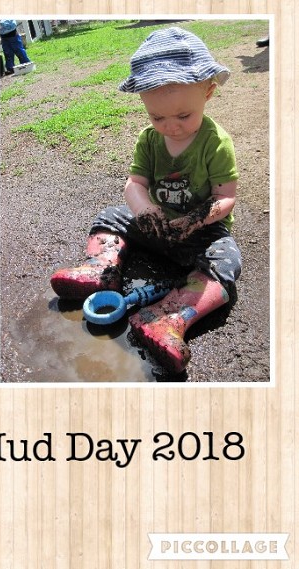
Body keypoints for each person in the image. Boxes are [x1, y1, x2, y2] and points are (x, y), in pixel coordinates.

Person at [50, 27, 239, 373]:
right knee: (112, 216)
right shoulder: (149, 140)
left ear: (208, 92)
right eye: (157, 117)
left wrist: (196, 219)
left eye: (183, 116)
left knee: (227, 260)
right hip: (155, 226)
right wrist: (145, 210)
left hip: (199, 233)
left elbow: (226, 197)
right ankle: (102, 268)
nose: (171, 127)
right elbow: (135, 183)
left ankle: (169, 316)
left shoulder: (215, 143)